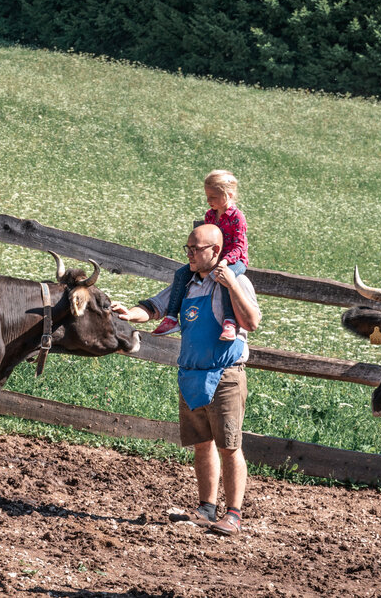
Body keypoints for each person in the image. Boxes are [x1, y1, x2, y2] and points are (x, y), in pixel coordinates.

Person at [111, 224, 261, 536]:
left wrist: (231, 285)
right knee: (202, 445)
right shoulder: (188, 284)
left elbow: (252, 322)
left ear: (216, 252)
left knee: (229, 446)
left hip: (225, 375)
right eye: (188, 248)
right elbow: (154, 307)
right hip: (192, 375)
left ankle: (233, 514)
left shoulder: (237, 281)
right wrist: (128, 314)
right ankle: (206, 508)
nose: (190, 254)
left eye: (196, 249)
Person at [152, 170, 248, 341]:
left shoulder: (237, 217)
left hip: (235, 260)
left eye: (213, 197)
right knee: (181, 274)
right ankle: (172, 318)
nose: (208, 201)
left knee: (225, 278)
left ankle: (229, 322)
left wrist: (225, 262)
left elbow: (239, 246)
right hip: (216, 259)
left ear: (229, 195)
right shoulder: (210, 215)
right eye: (207, 196)